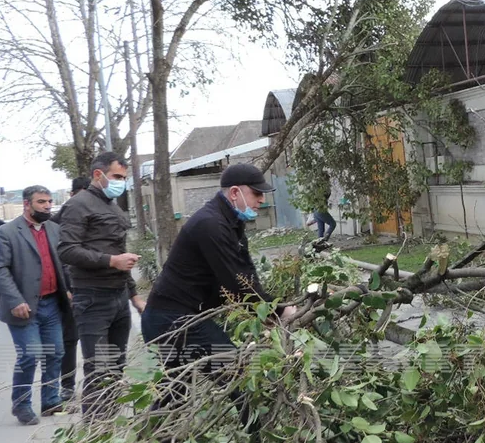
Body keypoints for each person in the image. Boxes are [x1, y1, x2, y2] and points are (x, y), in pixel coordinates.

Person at [142, 163, 294, 371]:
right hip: (171, 319)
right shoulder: (211, 224)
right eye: (257, 193)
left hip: (179, 316)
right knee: (235, 374)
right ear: (234, 193)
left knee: (176, 396)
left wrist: (265, 311)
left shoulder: (231, 222)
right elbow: (236, 282)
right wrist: (276, 311)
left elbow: (247, 273)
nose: (262, 200)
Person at [58, 152, 144, 416]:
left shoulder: (114, 207)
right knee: (98, 369)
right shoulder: (78, 205)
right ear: (99, 175)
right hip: (92, 299)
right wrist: (110, 261)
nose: (122, 182)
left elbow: (121, 255)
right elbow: (66, 250)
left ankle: (111, 431)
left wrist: (134, 296)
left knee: (117, 366)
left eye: (124, 178)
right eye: (117, 176)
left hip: (118, 298)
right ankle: (94, 437)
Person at [0, 186, 75, 425]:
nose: (48, 206)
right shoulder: (6, 232)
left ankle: (51, 401)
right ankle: (22, 405)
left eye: (49, 201)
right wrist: (15, 300)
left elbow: (63, 264)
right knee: (29, 355)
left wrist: (68, 289)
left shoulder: (54, 229)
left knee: (55, 353)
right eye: (41, 202)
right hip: (24, 306)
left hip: (52, 304)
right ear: (27, 204)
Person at [52, 176, 90, 403]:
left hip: (92, 287)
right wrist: (67, 288)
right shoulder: (57, 223)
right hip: (67, 291)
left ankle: (98, 384)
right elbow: (59, 259)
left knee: (91, 341)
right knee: (68, 340)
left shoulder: (94, 217)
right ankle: (66, 385)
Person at [311, 176, 335, 242]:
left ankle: (319, 244)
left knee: (321, 230)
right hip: (321, 210)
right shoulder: (324, 189)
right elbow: (327, 194)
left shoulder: (316, 189)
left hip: (316, 210)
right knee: (333, 224)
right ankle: (325, 240)